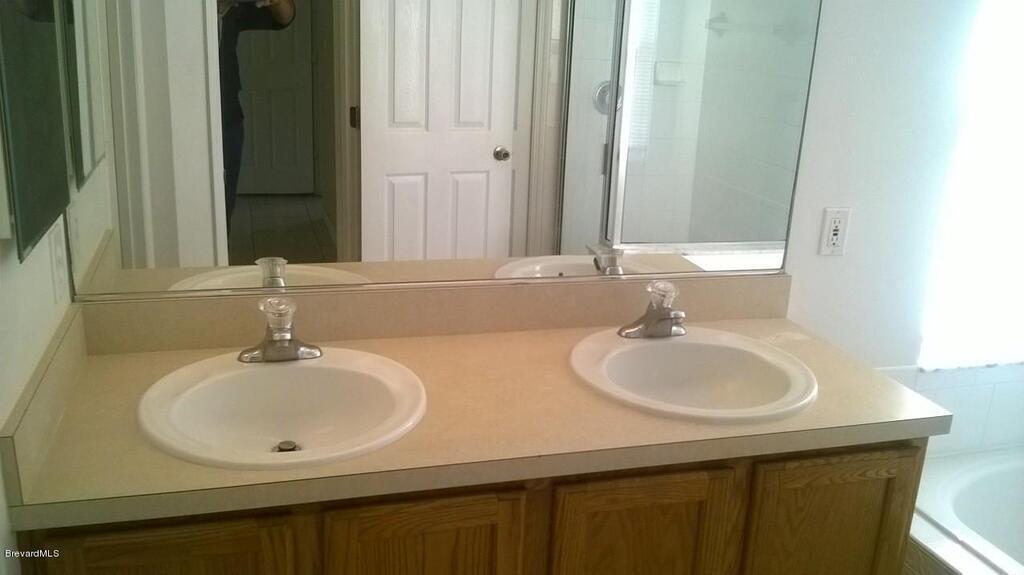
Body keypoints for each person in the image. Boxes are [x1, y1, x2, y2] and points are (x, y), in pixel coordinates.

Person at [218, 0, 295, 230]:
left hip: (227, 114)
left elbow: (284, 18)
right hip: (182, 116)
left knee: (223, 208)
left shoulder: (235, 10)